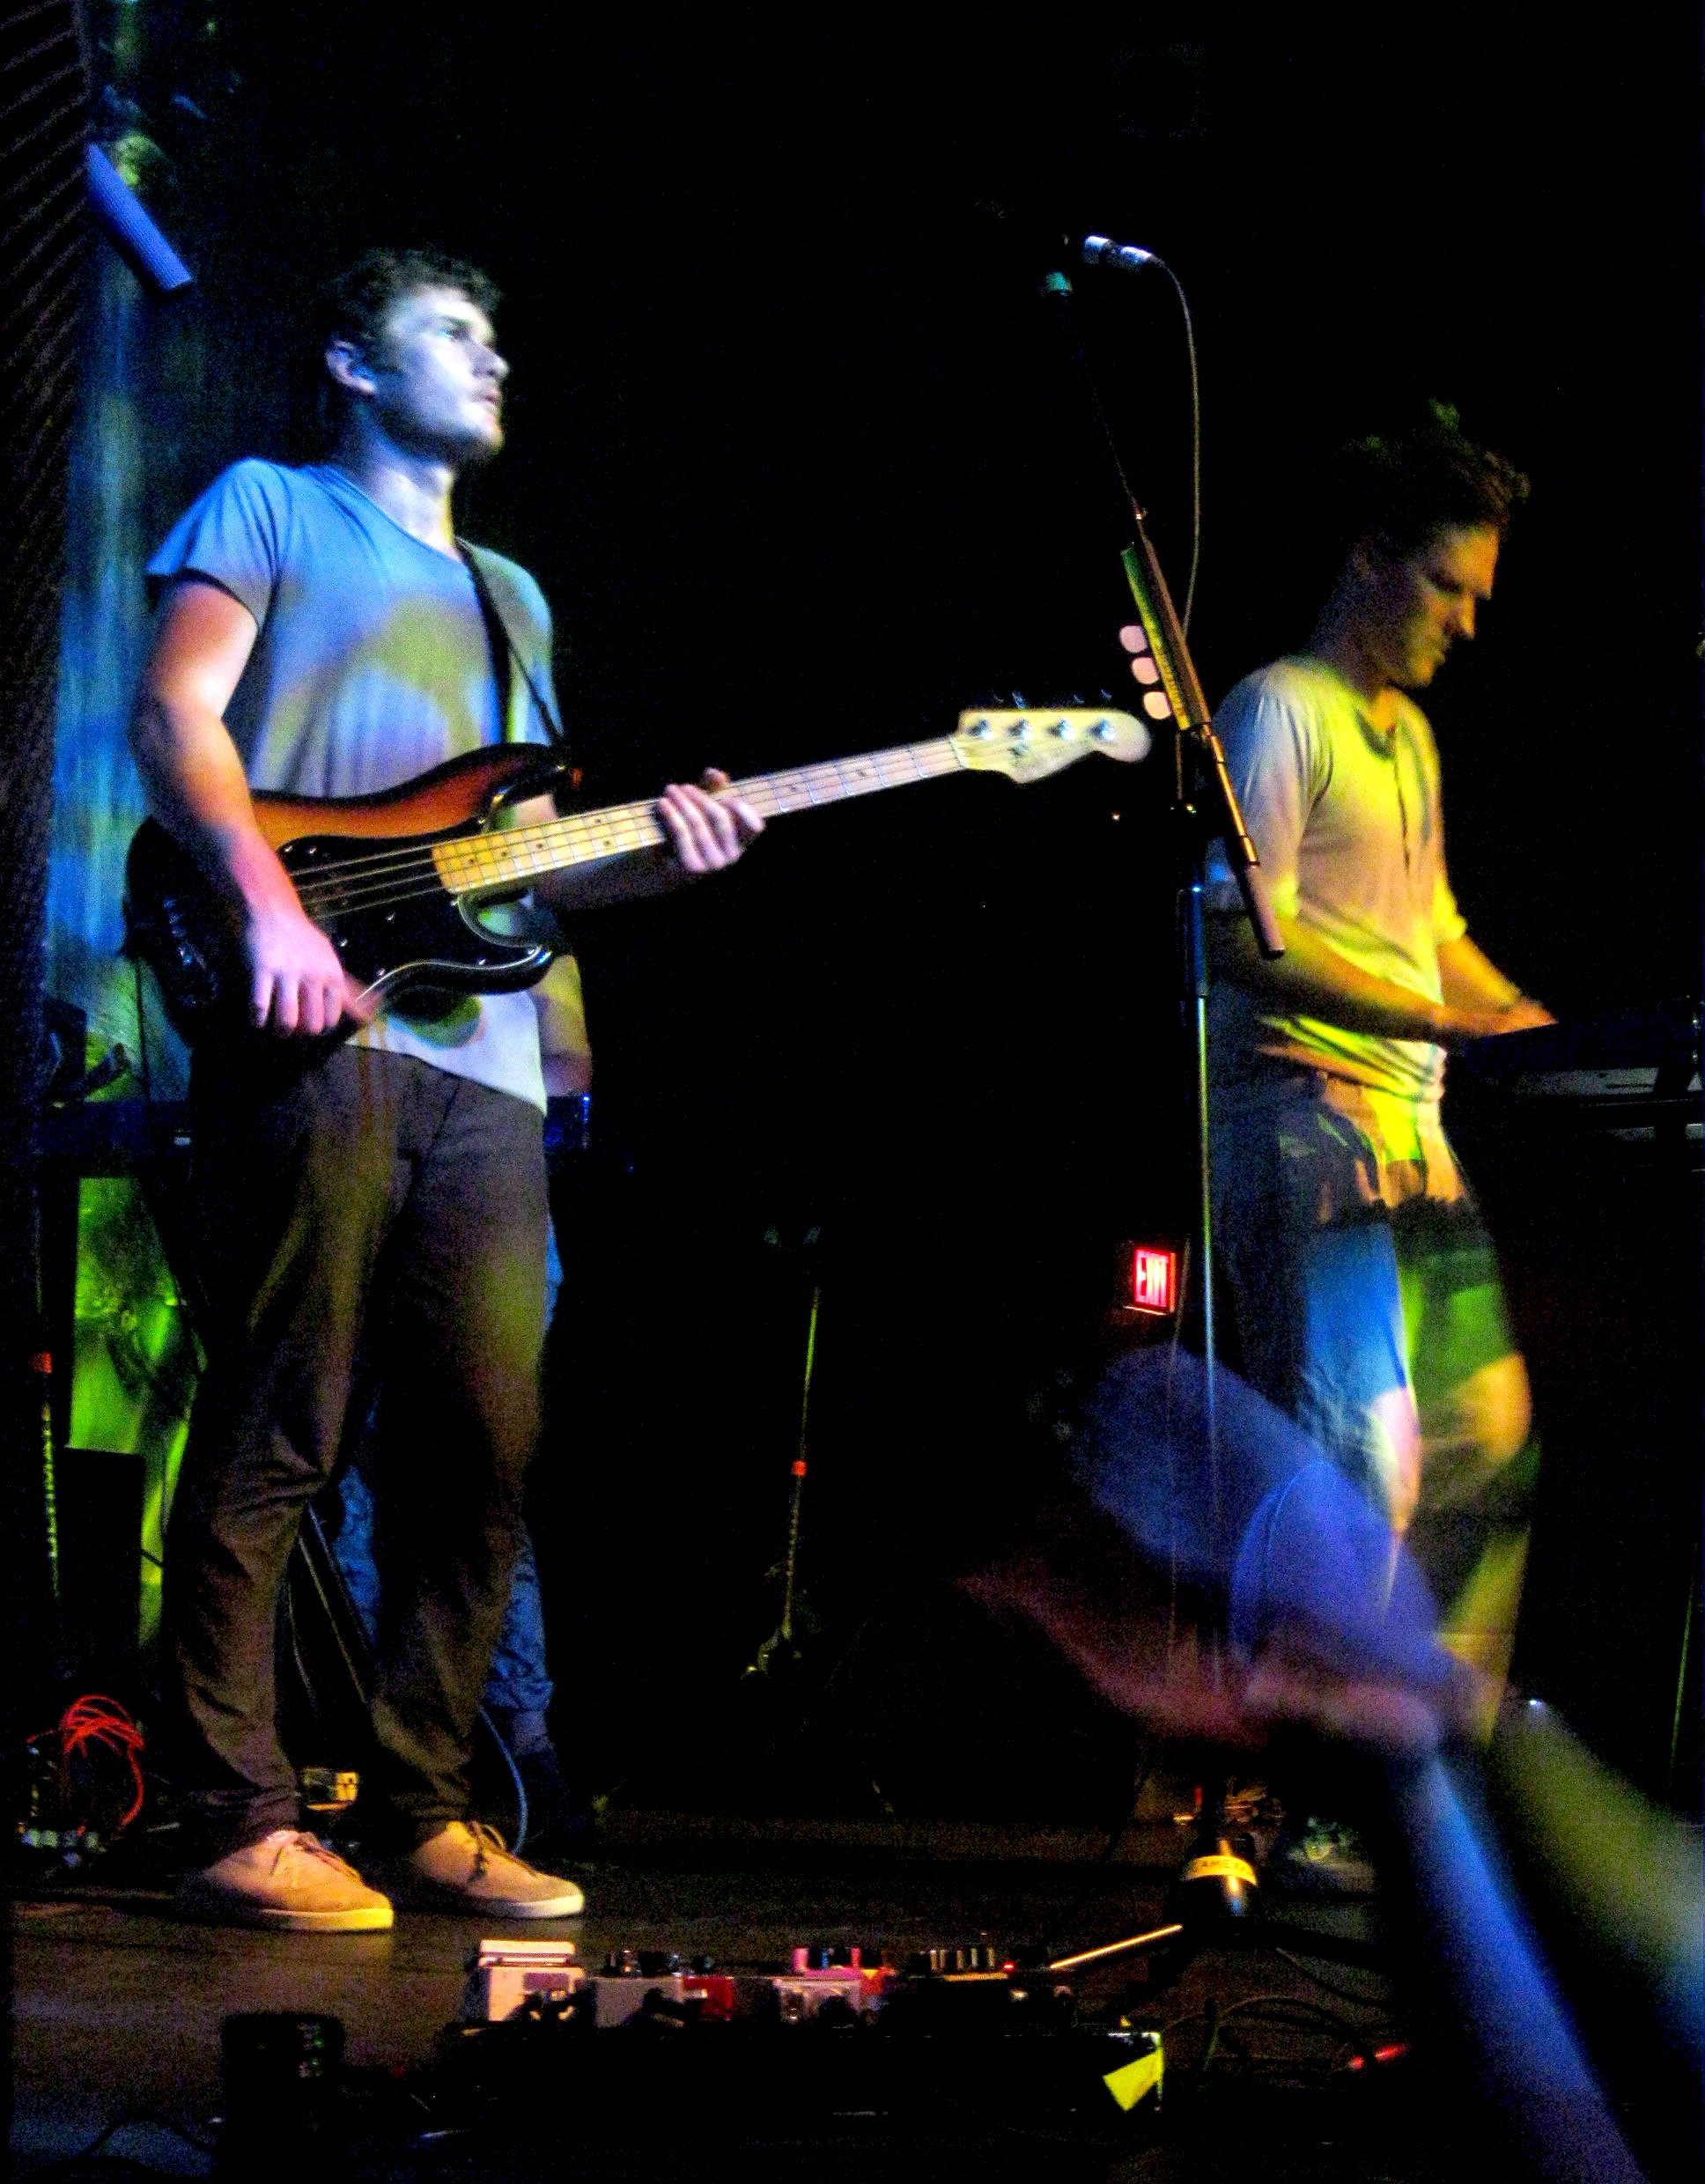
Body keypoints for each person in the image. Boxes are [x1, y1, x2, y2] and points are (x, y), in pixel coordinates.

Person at [129, 247, 762, 1929]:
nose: (493, 359)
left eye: (497, 336)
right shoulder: (268, 504)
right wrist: (269, 911)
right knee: (285, 1419)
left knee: (482, 1451)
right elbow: (174, 713)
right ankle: (229, 1811)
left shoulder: (513, 596)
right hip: (311, 1027)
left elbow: (526, 863)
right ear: (352, 362)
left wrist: (667, 858)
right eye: (452, 332)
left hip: (481, 1068)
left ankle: (425, 1808)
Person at [1201, 402, 1553, 1712]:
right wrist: (1437, 1020)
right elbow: (1241, 936)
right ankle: (1314, 1760)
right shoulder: (1278, 707)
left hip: (1412, 1129)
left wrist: (1534, 1025)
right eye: (1449, 586)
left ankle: (1420, 1739)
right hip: (1300, 1118)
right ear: (1370, 556)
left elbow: (1434, 939)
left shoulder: (1414, 740)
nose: (1467, 622)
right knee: (1363, 1454)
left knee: (1486, 1434)